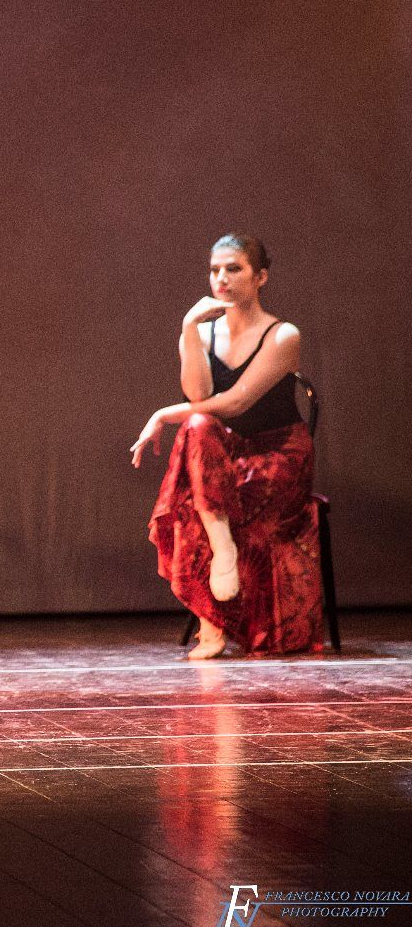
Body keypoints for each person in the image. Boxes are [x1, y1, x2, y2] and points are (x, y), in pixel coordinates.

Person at [130, 233, 324, 659]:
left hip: (277, 454)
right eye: (215, 270)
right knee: (198, 428)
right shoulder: (201, 333)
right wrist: (188, 330)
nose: (222, 278)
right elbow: (199, 396)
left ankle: (216, 616)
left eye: (234, 269)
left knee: (203, 482)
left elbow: (235, 403)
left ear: (260, 277)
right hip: (226, 455)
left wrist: (162, 414)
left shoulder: (282, 335)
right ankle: (217, 588)